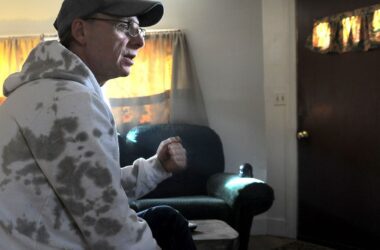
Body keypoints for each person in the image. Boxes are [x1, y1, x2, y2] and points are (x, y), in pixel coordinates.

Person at [0, 0, 196, 249]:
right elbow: (113, 230)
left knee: (164, 219)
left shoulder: (49, 93)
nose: (139, 41)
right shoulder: (69, 102)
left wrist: (156, 167)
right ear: (81, 31)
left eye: (139, 29)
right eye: (126, 26)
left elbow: (96, 187)